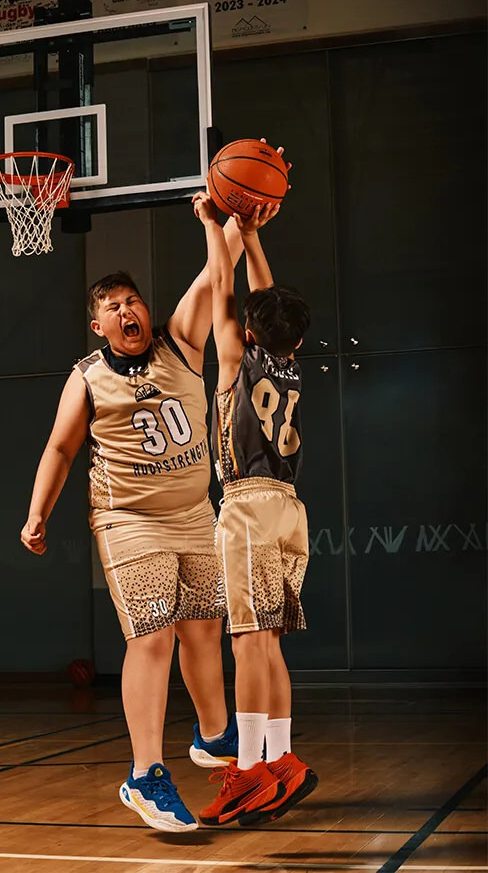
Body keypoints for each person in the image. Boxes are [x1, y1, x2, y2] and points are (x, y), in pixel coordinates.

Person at [20, 210, 259, 833]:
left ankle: (212, 735)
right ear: (96, 325)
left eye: (134, 301)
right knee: (152, 638)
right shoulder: (87, 378)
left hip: (193, 513)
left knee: (204, 629)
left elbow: (213, 275)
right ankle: (145, 775)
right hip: (128, 522)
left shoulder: (180, 342)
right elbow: (61, 449)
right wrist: (37, 512)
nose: (128, 312)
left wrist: (240, 216)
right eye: (113, 307)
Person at [192, 188, 318, 828]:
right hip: (291, 510)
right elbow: (260, 295)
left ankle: (245, 773)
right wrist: (253, 232)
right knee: (269, 645)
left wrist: (218, 227)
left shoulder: (237, 362)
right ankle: (281, 760)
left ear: (248, 330)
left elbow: (223, 285)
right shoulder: (289, 363)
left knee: (246, 643)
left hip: (245, 505)